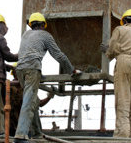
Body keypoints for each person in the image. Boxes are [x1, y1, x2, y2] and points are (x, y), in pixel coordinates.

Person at [13, 12, 82, 143]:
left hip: (20, 69)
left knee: (31, 100)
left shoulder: (25, 34)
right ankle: (20, 135)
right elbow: (58, 55)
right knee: (29, 100)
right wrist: (71, 70)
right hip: (32, 68)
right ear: (43, 25)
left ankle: (37, 133)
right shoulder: (46, 35)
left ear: (30, 25)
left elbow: (27, 53)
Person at [100, 9, 131, 138]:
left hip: (124, 61)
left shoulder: (120, 29)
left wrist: (108, 52)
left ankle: (122, 136)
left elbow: (112, 46)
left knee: (123, 101)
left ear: (124, 20)